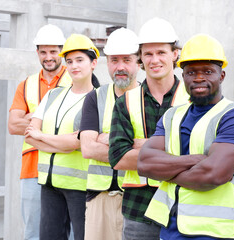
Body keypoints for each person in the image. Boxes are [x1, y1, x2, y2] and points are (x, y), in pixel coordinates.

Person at [138, 34, 234, 240]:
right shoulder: (172, 115)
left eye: (208, 71)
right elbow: (144, 164)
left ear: (222, 76)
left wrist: (166, 173)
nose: (199, 78)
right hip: (170, 228)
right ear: (183, 76)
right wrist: (195, 161)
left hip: (213, 233)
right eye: (191, 72)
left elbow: (211, 175)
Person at [108, 18, 189, 240]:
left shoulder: (192, 100)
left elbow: (204, 153)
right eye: (148, 54)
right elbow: (118, 158)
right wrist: (175, 153)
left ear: (175, 54)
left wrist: (145, 147)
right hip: (139, 211)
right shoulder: (126, 102)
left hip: (183, 208)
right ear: (141, 58)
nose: (155, 60)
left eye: (161, 52)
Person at [24, 34, 100, 240]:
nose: (74, 66)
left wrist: (43, 137)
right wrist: (64, 142)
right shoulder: (52, 95)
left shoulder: (98, 100)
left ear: (93, 63)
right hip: (49, 184)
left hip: (79, 186)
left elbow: (79, 142)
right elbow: (30, 136)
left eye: (80, 60)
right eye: (69, 61)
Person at [7, 24, 71, 240]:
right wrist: (48, 119)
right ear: (37, 53)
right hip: (32, 168)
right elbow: (13, 125)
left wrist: (32, 117)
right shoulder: (26, 85)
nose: (48, 57)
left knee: (69, 233)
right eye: (43, 52)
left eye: (53, 51)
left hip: (67, 165)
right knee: (33, 233)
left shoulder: (75, 80)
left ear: (61, 52)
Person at [79, 27, 141, 240]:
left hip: (138, 196)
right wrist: (132, 145)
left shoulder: (149, 98)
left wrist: (107, 138)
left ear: (138, 61)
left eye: (127, 59)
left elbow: (156, 151)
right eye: (114, 60)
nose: (120, 66)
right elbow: (87, 148)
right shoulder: (95, 97)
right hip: (99, 198)